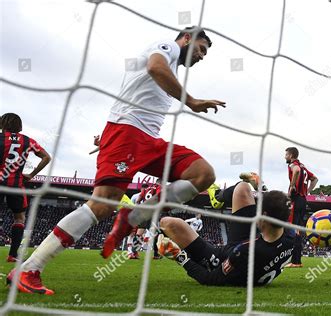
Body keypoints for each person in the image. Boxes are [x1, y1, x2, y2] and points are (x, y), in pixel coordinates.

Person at [7, 26, 225, 295]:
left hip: (146, 140)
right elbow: (155, 67)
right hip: (128, 135)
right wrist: (190, 101)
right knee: (100, 205)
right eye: (202, 48)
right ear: (188, 38)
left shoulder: (172, 65)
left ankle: (133, 216)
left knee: (203, 174)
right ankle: (29, 269)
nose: (202, 56)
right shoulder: (167, 46)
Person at [157, 181, 293, 286]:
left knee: (167, 223)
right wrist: (260, 186)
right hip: (252, 245)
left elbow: (209, 279)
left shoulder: (243, 252)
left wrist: (179, 256)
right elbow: (279, 207)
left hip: (226, 257)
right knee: (243, 188)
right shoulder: (291, 236)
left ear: (264, 215)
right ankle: (217, 197)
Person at [0, 113, 51, 262]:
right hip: (16, 185)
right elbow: (47, 157)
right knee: (19, 219)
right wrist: (32, 174)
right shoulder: (28, 141)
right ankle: (12, 255)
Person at [284, 147, 317, 268]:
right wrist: (307, 191)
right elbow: (315, 179)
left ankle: (295, 261)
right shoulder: (303, 166)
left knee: (293, 229)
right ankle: (296, 260)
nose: (285, 157)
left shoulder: (294, 165)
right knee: (297, 229)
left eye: (286, 154)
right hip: (303, 199)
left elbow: (296, 171)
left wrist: (292, 186)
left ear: (291, 155)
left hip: (296, 198)